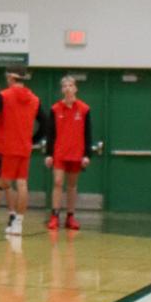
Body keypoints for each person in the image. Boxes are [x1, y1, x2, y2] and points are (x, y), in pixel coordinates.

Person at [0, 68, 42, 237]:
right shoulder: (35, 99)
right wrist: (33, 140)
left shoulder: (5, 96)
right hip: (24, 148)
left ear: (12, 78)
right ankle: (18, 225)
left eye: (8, 77)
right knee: (22, 184)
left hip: (6, 147)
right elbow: (45, 124)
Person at [46, 76, 92, 231]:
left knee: (72, 185)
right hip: (59, 152)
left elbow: (88, 133)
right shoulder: (55, 109)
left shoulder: (84, 109)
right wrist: (49, 154)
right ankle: (54, 215)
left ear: (75, 88)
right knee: (58, 182)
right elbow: (50, 133)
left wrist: (87, 154)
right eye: (64, 86)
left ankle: (70, 216)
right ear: (61, 89)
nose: (67, 88)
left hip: (76, 152)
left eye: (70, 85)